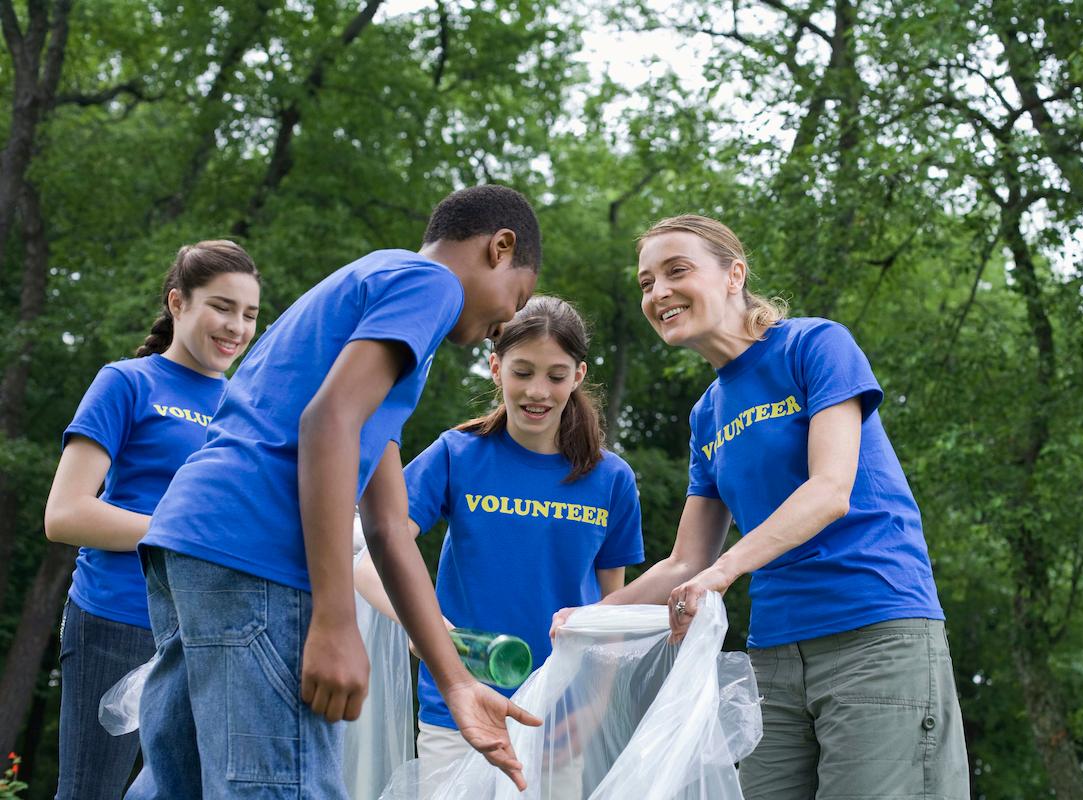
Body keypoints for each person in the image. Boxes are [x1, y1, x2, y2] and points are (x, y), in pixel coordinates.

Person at [125, 185, 544, 800]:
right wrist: (335, 619)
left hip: (192, 546)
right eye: (520, 296)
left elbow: (387, 525)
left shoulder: (374, 304)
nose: (508, 321)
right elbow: (326, 424)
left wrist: (454, 680)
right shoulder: (429, 284)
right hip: (257, 557)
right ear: (499, 247)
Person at [554, 214, 970, 799]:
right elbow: (686, 561)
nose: (659, 293)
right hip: (773, 659)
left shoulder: (813, 346)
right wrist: (592, 615)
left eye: (677, 271)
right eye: (647, 282)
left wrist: (724, 571)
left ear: (734, 275)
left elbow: (829, 490)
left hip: (875, 635)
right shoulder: (707, 414)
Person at [354, 295, 644, 787]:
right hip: (458, 709)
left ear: (577, 376)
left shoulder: (611, 478)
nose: (538, 391)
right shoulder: (457, 453)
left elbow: (611, 614)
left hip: (558, 716)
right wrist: (432, 629)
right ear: (495, 367)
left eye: (555, 375)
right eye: (522, 371)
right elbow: (368, 563)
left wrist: (592, 708)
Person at [45, 241, 261, 800]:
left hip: (209, 634)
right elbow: (65, 514)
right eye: (222, 306)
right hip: (115, 621)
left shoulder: (248, 408)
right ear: (178, 303)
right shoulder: (127, 382)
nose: (236, 326)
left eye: (250, 313)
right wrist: (187, 535)